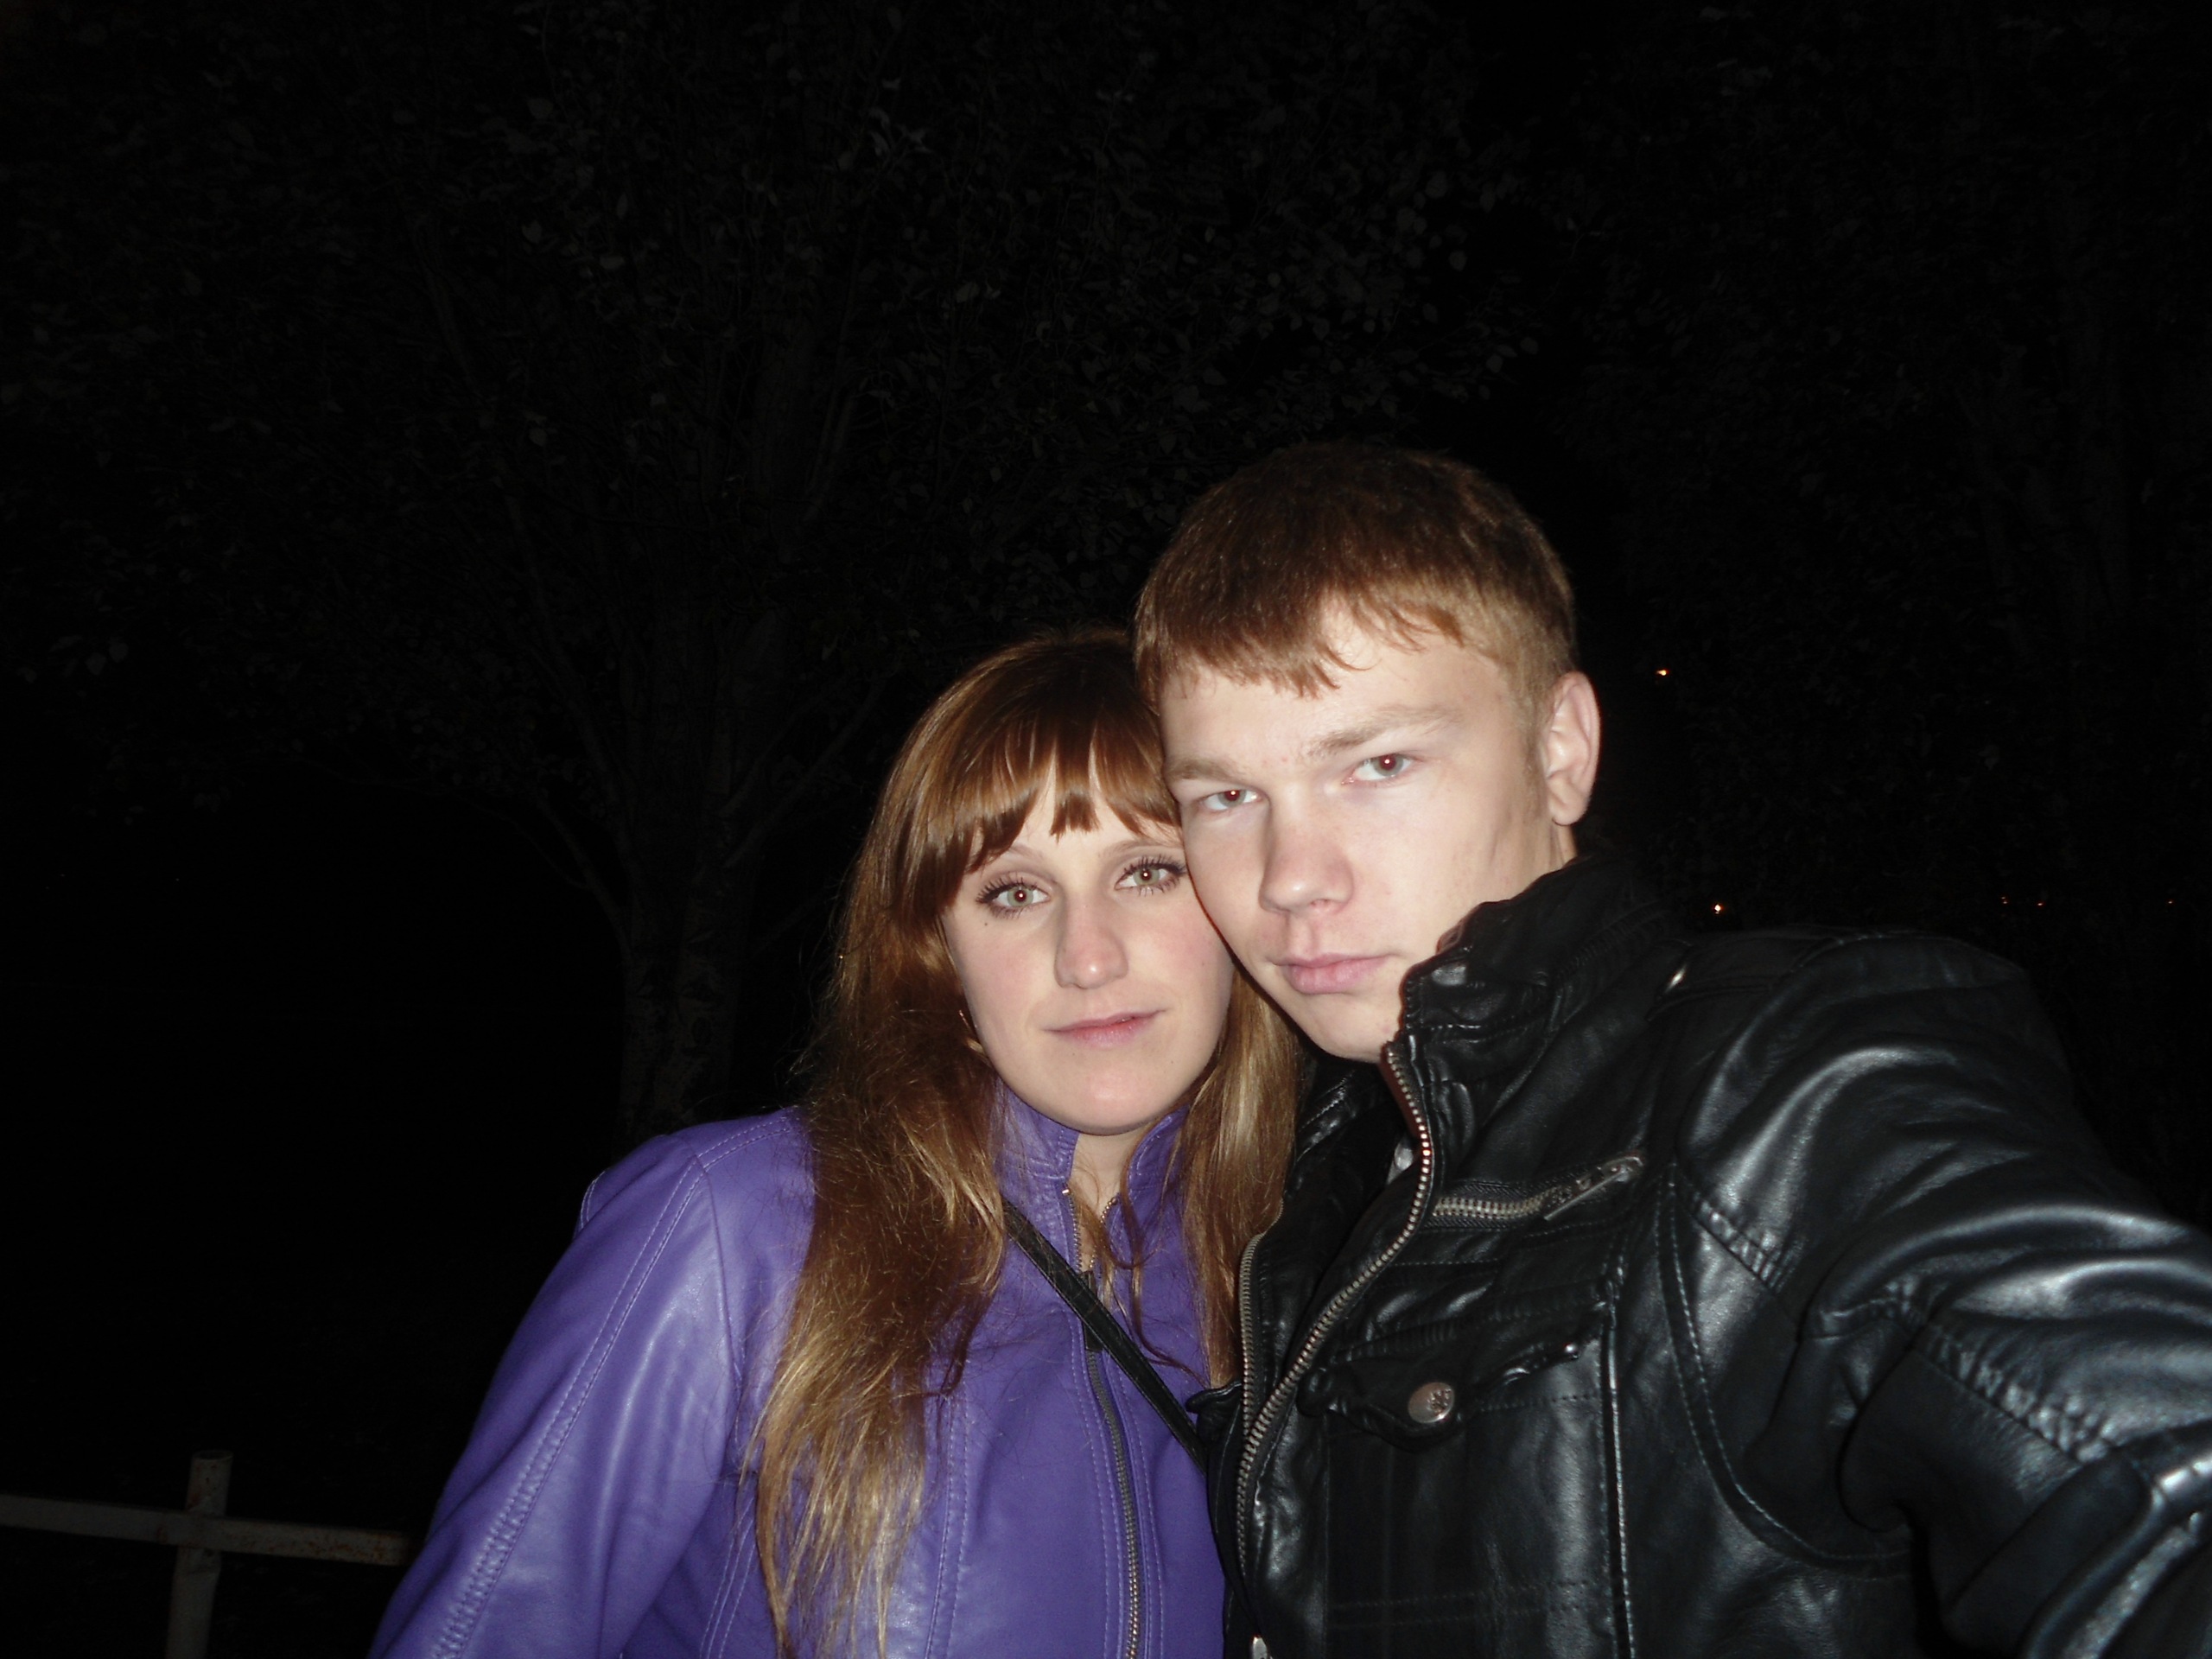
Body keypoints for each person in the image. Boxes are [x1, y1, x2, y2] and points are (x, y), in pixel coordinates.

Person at [1133, 442, 2212, 1658]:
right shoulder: (1328, 1172)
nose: (1290, 879)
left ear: (1560, 750)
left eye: (1380, 764)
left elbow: (2146, 1469)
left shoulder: (1787, 1080)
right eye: (1226, 797)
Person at [370, 629, 1301, 1659]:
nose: (1087, 956)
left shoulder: (1293, 1276)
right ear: (938, 956)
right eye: (1014, 892)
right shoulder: (735, 1229)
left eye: (1148, 871)